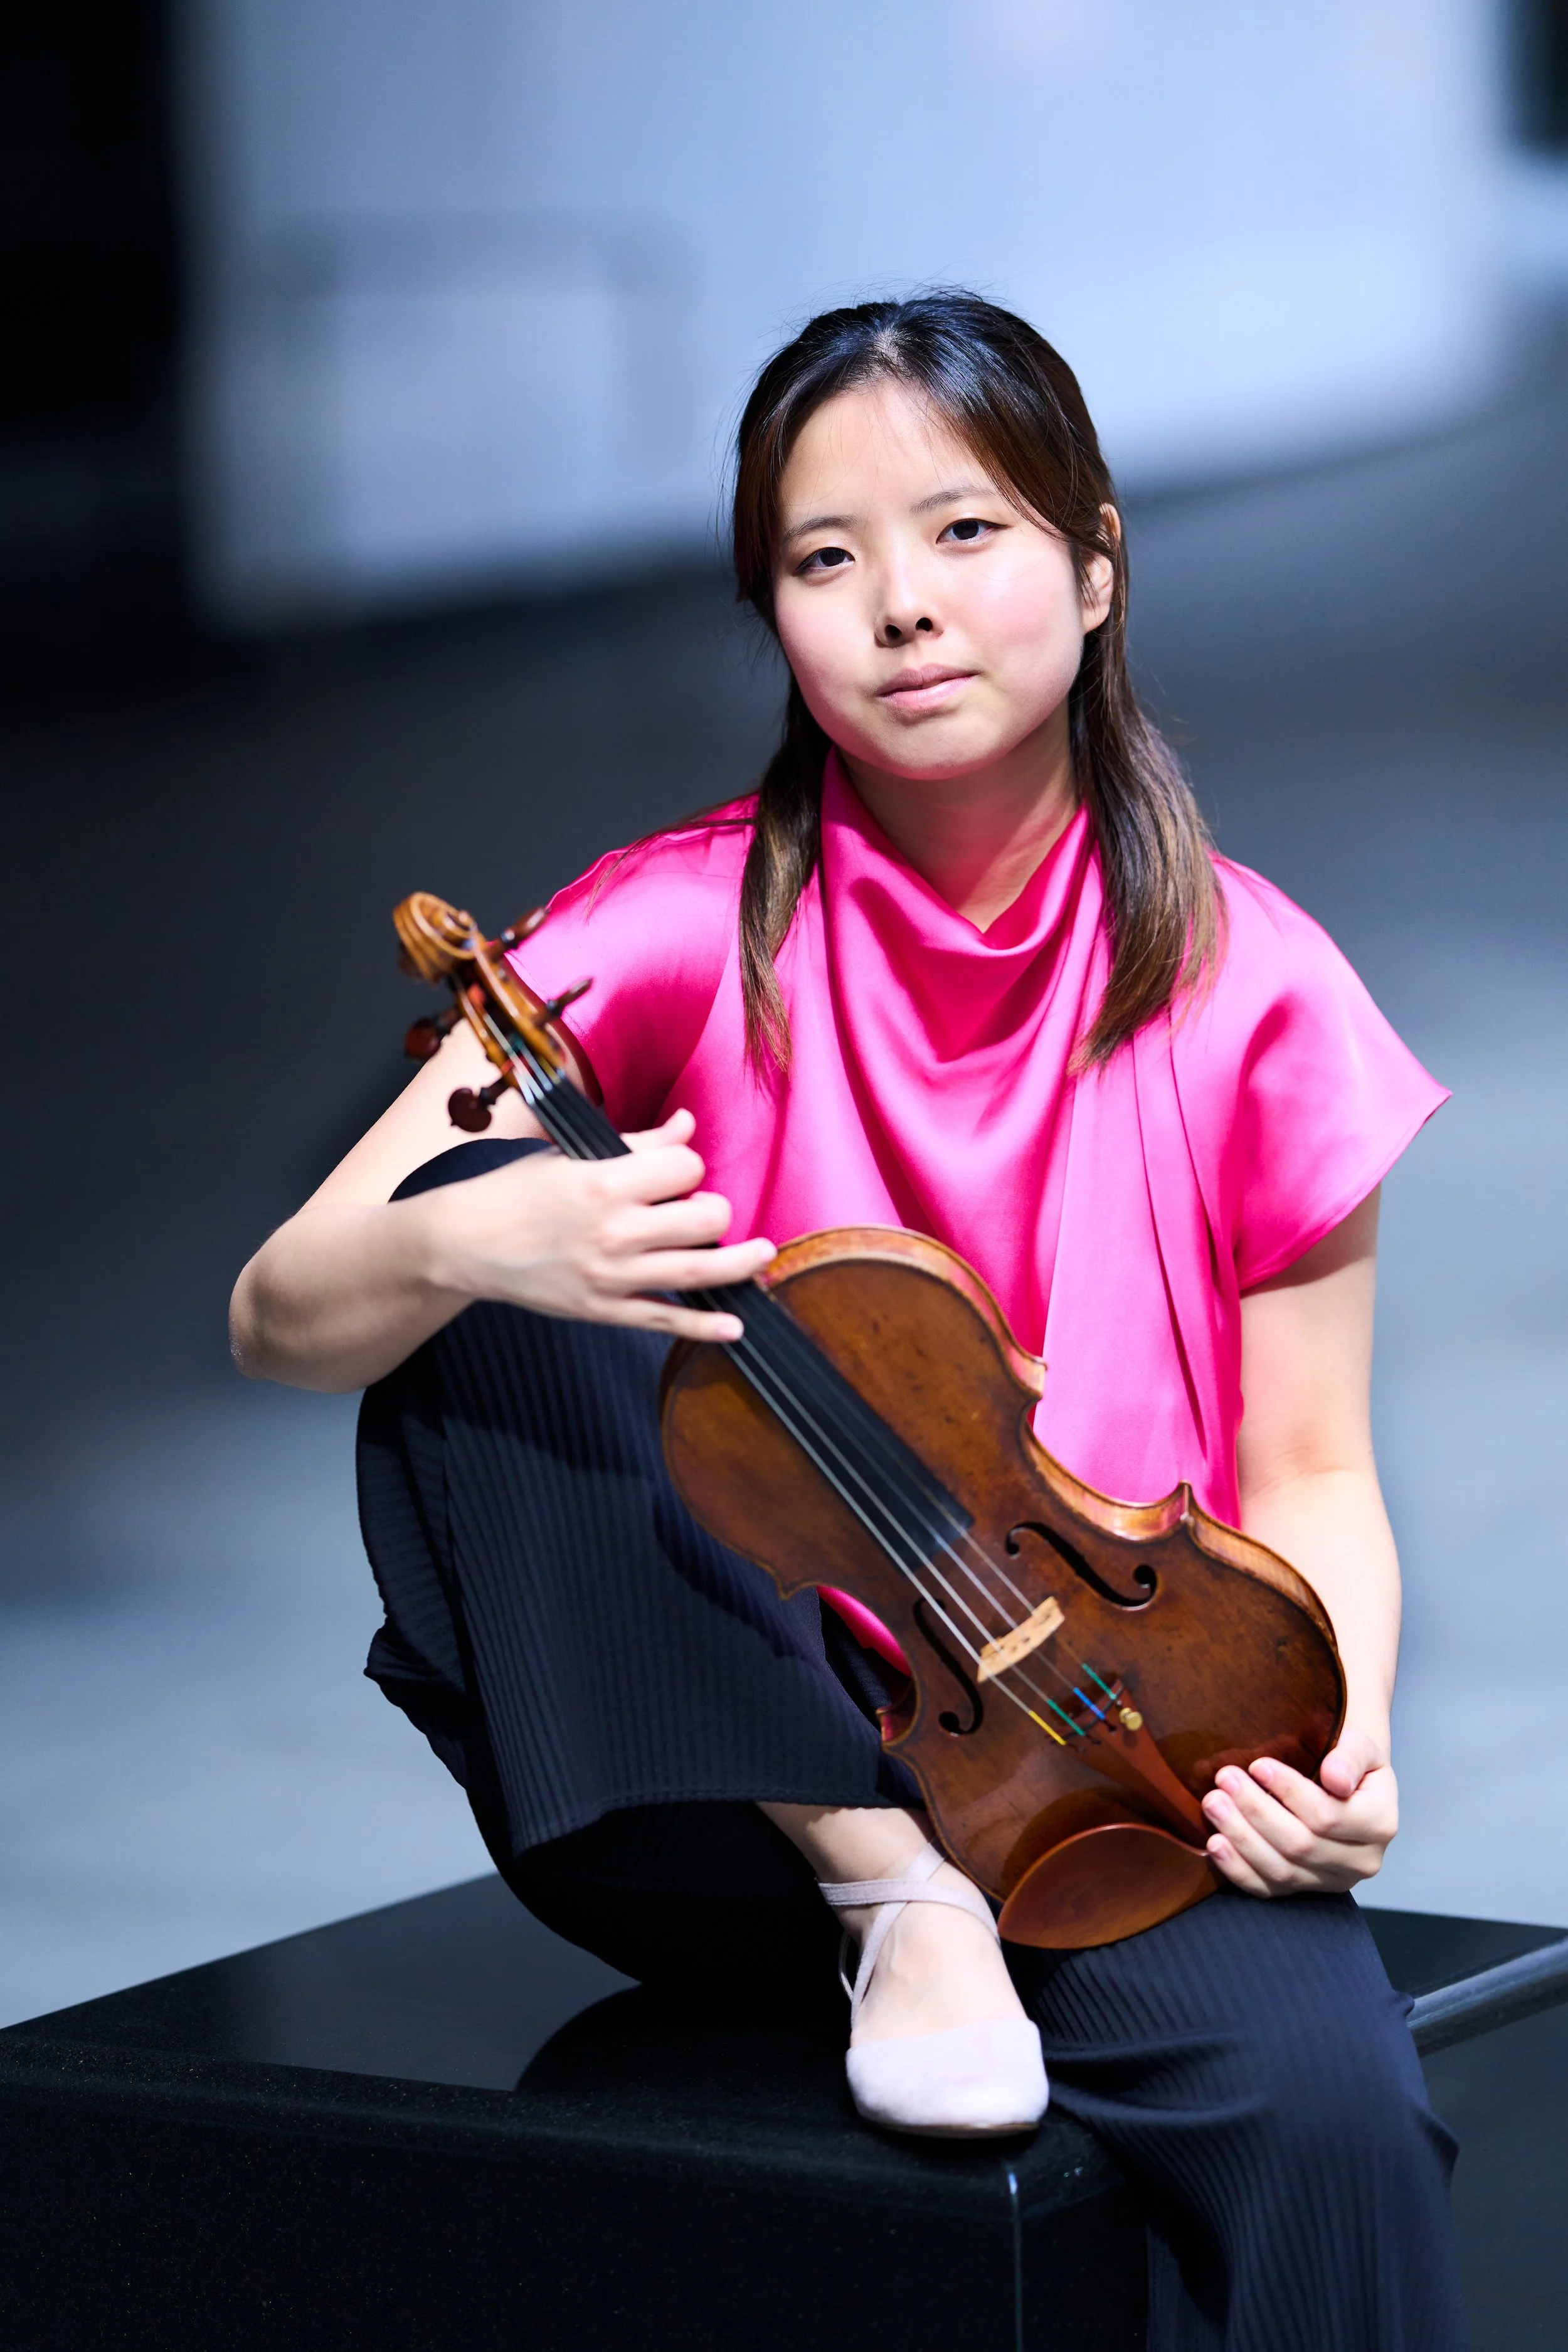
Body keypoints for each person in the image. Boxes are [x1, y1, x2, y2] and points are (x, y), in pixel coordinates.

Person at [231, 292, 1465, 2348]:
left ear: (1092, 562)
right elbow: (284, 1308)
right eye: (823, 559)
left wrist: (1335, 1741)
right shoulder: (656, 927)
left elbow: (1313, 1462)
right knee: (492, 1225)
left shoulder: (1251, 979)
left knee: (1333, 2115)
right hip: (714, 1796)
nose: (899, 606)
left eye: (962, 532)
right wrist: (487, 1241)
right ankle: (885, 1891)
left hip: (1085, 1758)